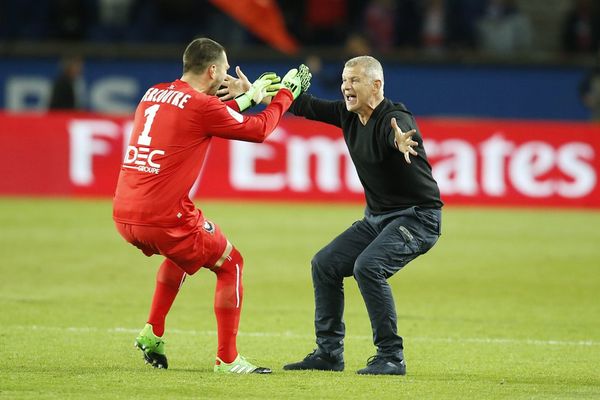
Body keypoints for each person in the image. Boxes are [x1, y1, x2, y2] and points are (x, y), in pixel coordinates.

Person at [112, 37, 310, 374]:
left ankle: (152, 333)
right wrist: (285, 95)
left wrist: (249, 97)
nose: (228, 74)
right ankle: (228, 359)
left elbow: (203, 117)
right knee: (231, 263)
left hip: (124, 212)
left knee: (181, 255)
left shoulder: (153, 94)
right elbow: (259, 130)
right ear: (213, 69)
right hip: (162, 216)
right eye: (226, 68)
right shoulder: (200, 106)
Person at [282, 56, 443, 375]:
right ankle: (329, 353)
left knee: (368, 267)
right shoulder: (348, 114)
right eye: (344, 80)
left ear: (376, 85)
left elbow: (400, 131)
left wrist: (399, 141)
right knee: (324, 264)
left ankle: (391, 356)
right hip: (377, 218)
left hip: (417, 217)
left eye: (354, 80)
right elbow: (303, 105)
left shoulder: (394, 118)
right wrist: (256, 94)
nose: (345, 86)